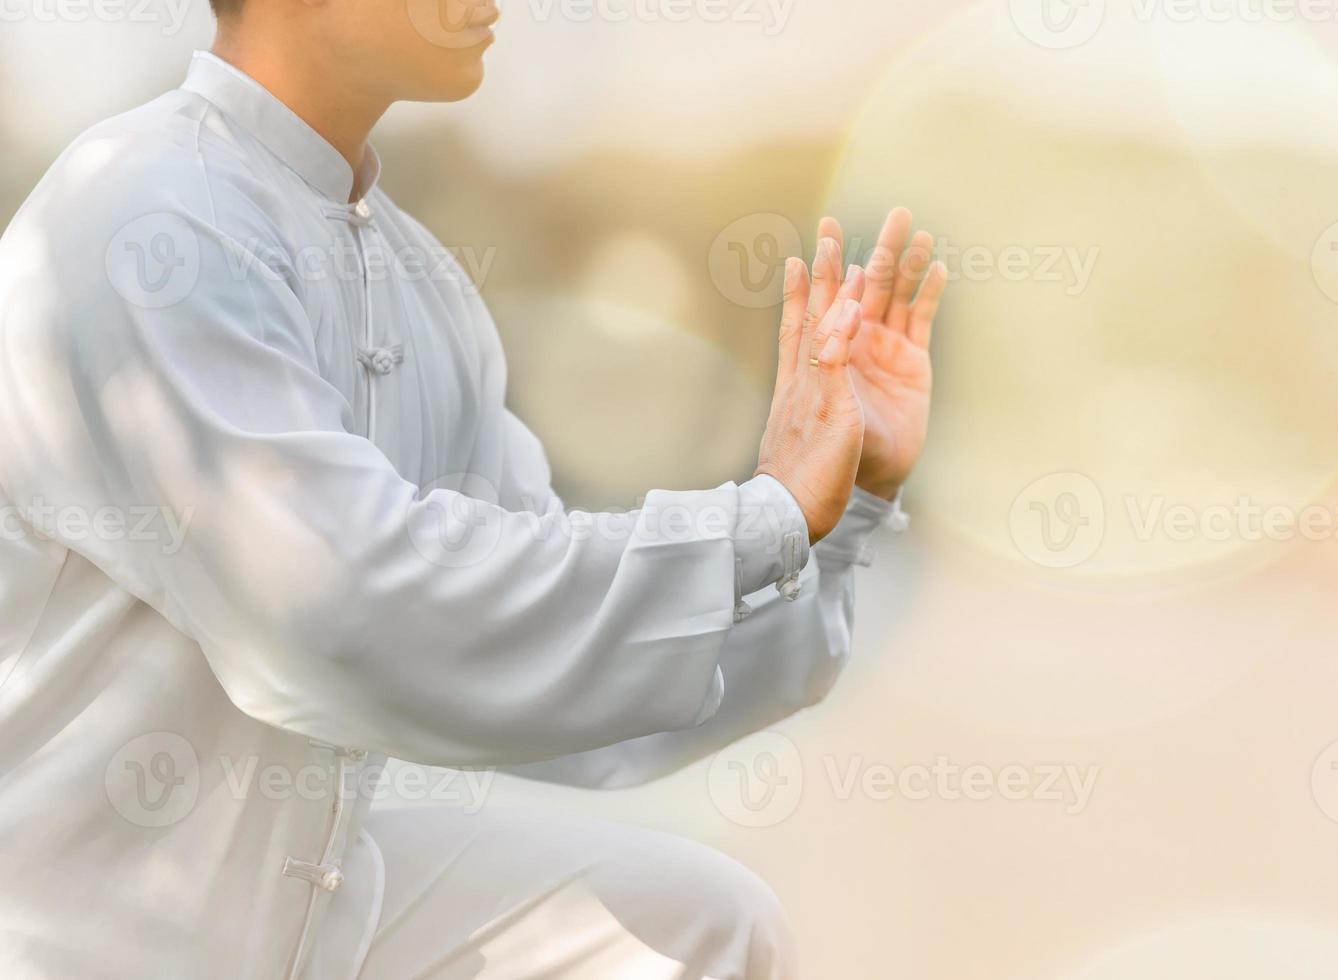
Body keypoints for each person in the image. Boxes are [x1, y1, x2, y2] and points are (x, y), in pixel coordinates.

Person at [0, 0, 949, 974]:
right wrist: (761, 517)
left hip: (305, 908)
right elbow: (340, 610)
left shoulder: (420, 282)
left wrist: (836, 514)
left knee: (700, 921)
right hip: (82, 937)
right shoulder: (147, 218)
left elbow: (545, 647)